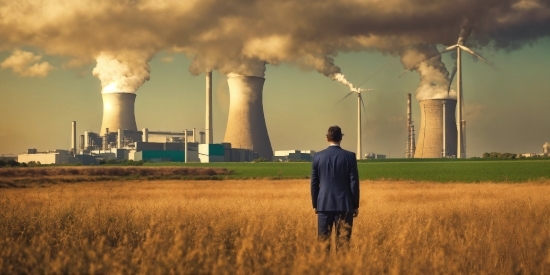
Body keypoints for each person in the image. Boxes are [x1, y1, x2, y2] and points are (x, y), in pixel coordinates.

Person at [311, 125, 360, 250]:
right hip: (344, 204)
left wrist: (316, 204)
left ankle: (324, 269)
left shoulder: (318, 157)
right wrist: (355, 205)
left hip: (324, 205)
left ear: (327, 138)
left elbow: (314, 183)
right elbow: (354, 182)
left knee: (323, 244)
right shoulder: (349, 157)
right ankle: (341, 269)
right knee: (343, 244)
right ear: (341, 138)